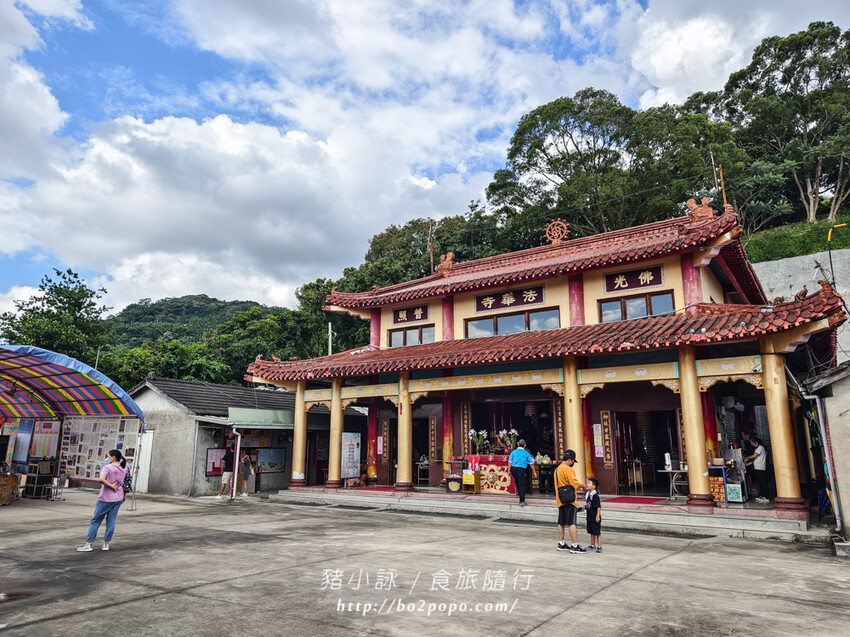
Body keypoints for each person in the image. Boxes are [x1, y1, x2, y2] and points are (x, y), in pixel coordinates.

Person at [76, 449, 128, 552]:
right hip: (118, 497)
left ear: (113, 457)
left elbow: (101, 479)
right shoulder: (124, 467)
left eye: (108, 456)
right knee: (111, 521)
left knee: (95, 521)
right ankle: (106, 544)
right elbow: (125, 482)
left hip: (106, 498)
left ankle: (89, 543)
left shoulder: (107, 467)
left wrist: (111, 486)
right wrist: (123, 494)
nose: (107, 458)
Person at [555, 449, 585, 554]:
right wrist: (585, 486)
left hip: (560, 499)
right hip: (569, 499)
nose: (572, 463)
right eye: (572, 461)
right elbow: (575, 483)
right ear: (570, 460)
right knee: (572, 522)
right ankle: (574, 545)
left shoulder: (557, 469)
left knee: (561, 522)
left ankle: (561, 543)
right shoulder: (568, 469)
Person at [508, 439, 535, 506]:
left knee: (517, 482)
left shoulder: (513, 452)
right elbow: (531, 464)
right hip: (521, 469)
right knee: (522, 484)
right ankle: (522, 501)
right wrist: (534, 472)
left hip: (513, 469)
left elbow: (510, 462)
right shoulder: (526, 453)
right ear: (525, 445)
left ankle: (520, 494)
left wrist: (508, 470)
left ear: (518, 444)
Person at [746, 438, 770, 503]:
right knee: (760, 482)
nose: (751, 444)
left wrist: (746, 457)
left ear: (756, 442)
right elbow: (754, 460)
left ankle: (766, 496)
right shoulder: (757, 449)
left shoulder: (760, 448)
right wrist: (748, 464)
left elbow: (754, 456)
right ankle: (763, 495)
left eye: (752, 442)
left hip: (760, 467)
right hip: (757, 467)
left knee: (762, 482)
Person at [585, 477, 602, 553]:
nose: (587, 484)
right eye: (587, 483)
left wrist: (597, 516)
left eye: (589, 483)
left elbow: (598, 507)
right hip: (589, 516)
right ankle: (592, 544)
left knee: (597, 532)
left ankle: (599, 546)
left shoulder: (595, 496)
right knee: (591, 531)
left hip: (595, 516)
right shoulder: (588, 495)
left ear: (594, 486)